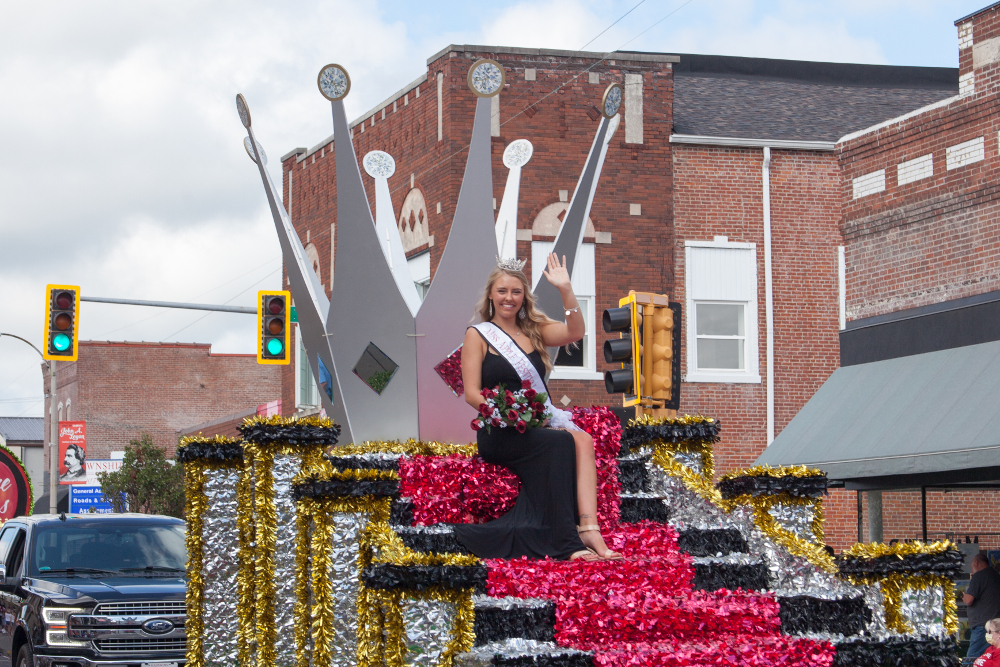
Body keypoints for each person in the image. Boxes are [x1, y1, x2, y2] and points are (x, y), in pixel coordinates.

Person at [451, 253, 622, 562]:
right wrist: (505, 411)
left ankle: (588, 528)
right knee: (560, 441)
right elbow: (472, 394)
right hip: (500, 431)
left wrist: (566, 289)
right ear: (491, 294)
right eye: (502, 291)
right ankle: (566, 544)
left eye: (516, 292)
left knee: (580, 439)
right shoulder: (477, 335)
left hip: (533, 427)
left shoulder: (534, 330)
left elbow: (575, 332)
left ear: (524, 296)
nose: (509, 298)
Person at [966, 554, 1000, 662]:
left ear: (976, 563)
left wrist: (963, 596)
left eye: (971, 567)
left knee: (971, 658)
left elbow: (969, 600)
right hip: (994, 625)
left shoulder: (979, 576)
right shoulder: (995, 575)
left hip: (982, 626)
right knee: (990, 657)